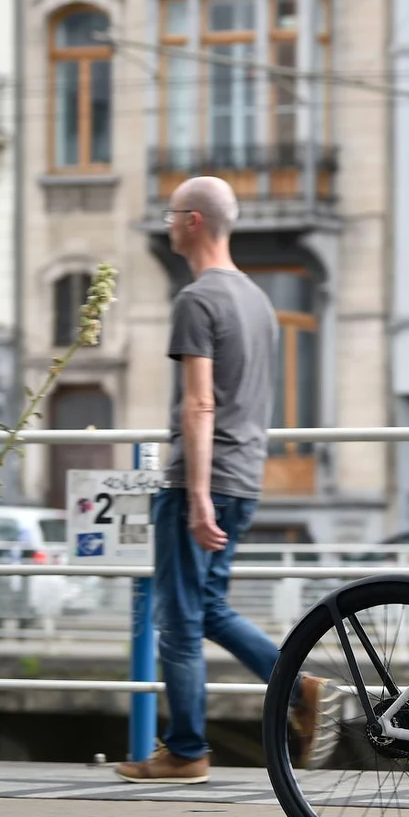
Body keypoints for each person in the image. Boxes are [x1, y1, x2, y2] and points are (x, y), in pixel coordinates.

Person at [116, 177, 337, 783]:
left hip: (204, 477)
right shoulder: (258, 301)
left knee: (179, 619)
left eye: (170, 214)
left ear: (191, 221)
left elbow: (199, 404)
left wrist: (193, 497)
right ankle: (302, 685)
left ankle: (186, 750)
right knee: (206, 605)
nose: (165, 224)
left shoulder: (196, 299)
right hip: (243, 475)